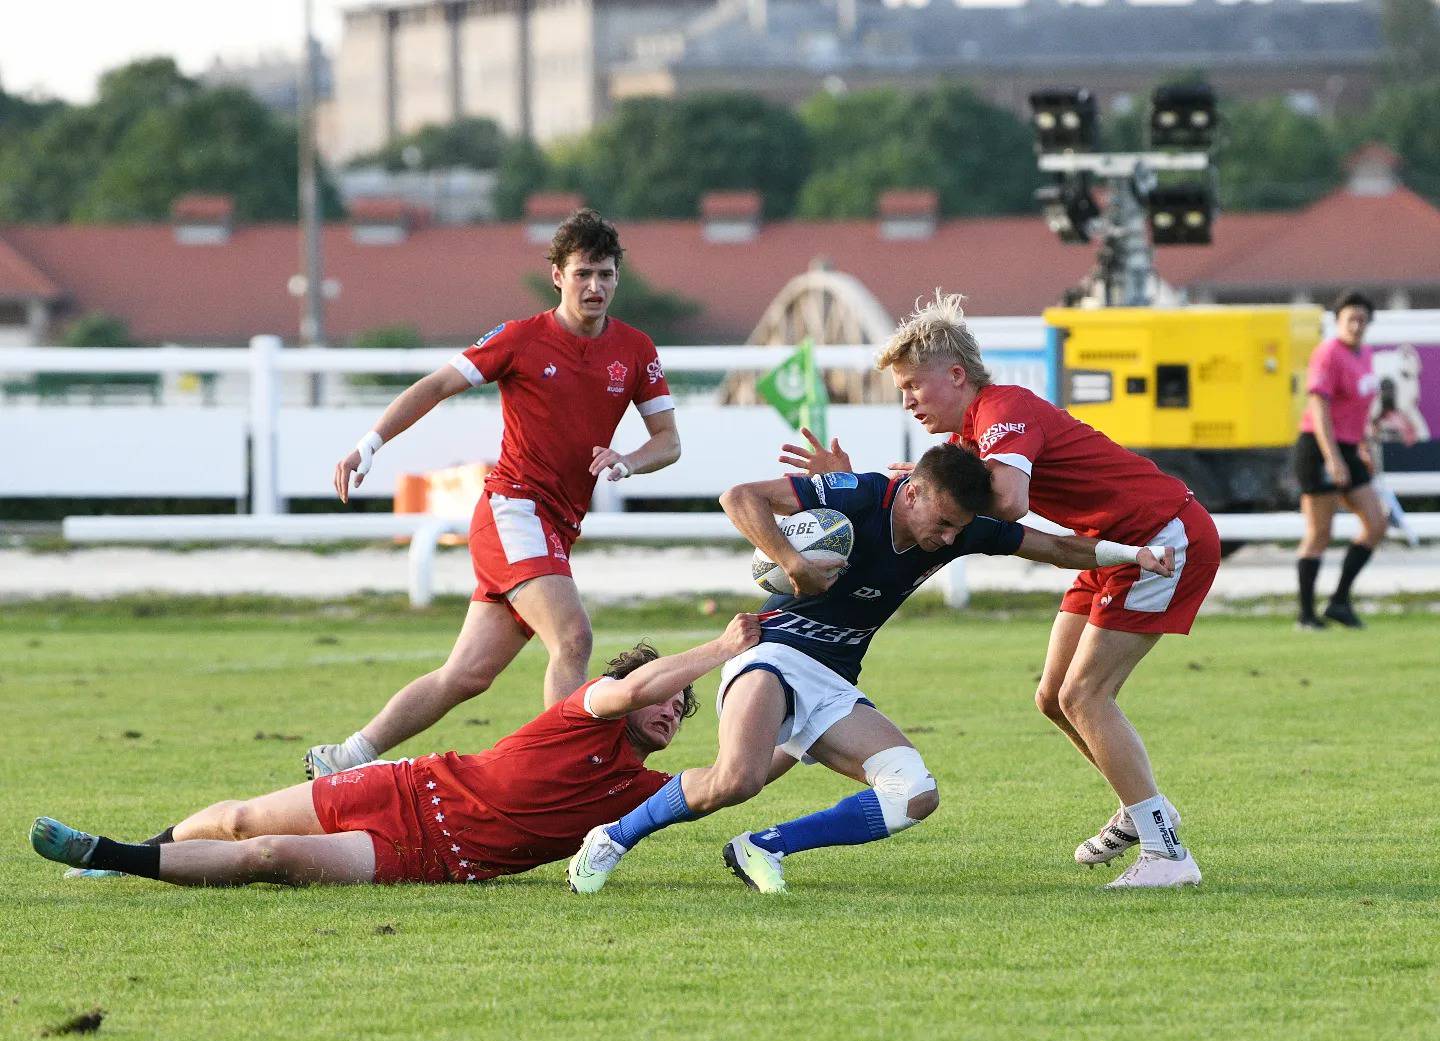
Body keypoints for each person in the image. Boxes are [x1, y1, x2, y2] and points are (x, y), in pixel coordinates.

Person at [565, 444, 1176, 896]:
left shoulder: (959, 531)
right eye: (940, 523)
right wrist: (792, 562)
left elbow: (1055, 547)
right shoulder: (858, 495)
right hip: (772, 654)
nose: (946, 539)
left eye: (958, 529)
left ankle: (763, 846)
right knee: (737, 780)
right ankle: (612, 837)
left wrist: (1133, 555)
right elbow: (739, 497)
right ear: (911, 491)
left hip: (833, 680)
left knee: (914, 794)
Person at [782, 292, 1219, 888]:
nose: (907, 400)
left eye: (914, 385)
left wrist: (931, 488)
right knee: (1053, 697)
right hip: (1111, 543)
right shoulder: (968, 440)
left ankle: (1168, 855)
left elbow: (1009, 502)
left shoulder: (1001, 408)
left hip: (1161, 539)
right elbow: (924, 492)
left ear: (956, 374)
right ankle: (1148, 813)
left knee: (1086, 696)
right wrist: (850, 479)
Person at [303, 208, 680, 778]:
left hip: (557, 525)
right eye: (583, 274)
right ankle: (566, 775)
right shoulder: (521, 338)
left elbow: (669, 441)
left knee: (467, 675)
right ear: (557, 275)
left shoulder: (635, 349)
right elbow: (435, 386)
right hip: (513, 510)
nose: (595, 286)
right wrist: (369, 444)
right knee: (573, 636)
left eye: (605, 274)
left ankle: (344, 756)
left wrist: (628, 462)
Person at [30, 617, 759, 889]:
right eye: (667, 695)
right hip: (407, 788)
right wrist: (721, 648)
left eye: (683, 710)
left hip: (432, 860)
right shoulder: (586, 711)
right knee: (245, 817)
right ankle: (137, 852)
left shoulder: (645, 790)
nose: (673, 708)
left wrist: (783, 707)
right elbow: (629, 692)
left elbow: (730, 780)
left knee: (268, 858)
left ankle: (112, 856)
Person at [1292, 290, 1387, 630]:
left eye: (1363, 319)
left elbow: (1357, 409)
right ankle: (1305, 615)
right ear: (1338, 321)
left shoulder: (1364, 355)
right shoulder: (1328, 354)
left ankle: (1339, 601)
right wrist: (1332, 458)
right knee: (1320, 532)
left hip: (1348, 447)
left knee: (1376, 522)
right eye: (1351, 319)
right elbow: (1319, 408)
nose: (1357, 325)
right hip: (1319, 448)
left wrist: (1360, 447)